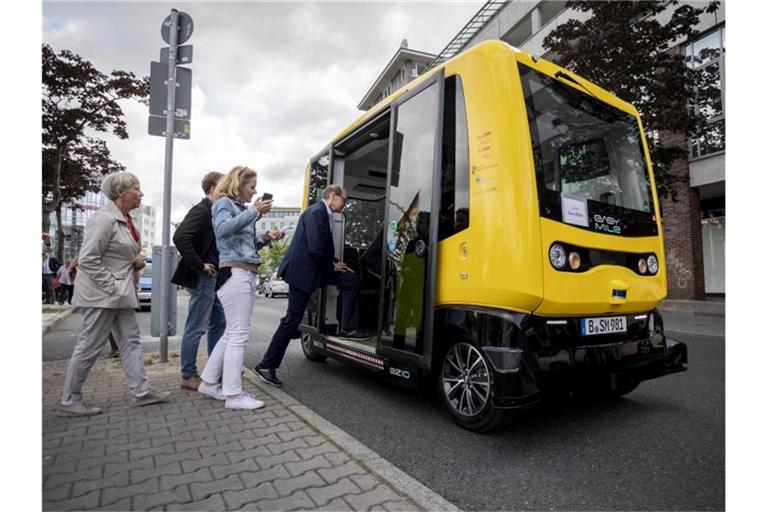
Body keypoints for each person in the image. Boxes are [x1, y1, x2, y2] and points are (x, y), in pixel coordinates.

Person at [57, 171, 171, 416]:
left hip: (120, 294)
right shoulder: (103, 218)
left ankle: (141, 391)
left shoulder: (126, 221)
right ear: (120, 192)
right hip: (102, 295)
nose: (141, 193)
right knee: (90, 345)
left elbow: (118, 257)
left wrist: (136, 263)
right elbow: (88, 259)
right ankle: (70, 400)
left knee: (130, 342)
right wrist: (112, 285)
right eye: (136, 188)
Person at [255, 184, 364, 388]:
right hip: (302, 273)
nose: (345, 204)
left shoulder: (323, 213)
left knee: (350, 280)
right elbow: (315, 248)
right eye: (345, 200)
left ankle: (348, 328)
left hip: (314, 269)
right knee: (291, 319)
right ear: (333, 196)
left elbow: (321, 247)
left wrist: (335, 262)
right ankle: (266, 365)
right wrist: (332, 265)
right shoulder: (316, 213)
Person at [196, 165, 284, 410]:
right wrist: (254, 211)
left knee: (231, 333)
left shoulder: (239, 209)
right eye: (252, 186)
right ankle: (234, 395)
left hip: (239, 271)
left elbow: (243, 241)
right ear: (238, 183)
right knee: (239, 334)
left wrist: (266, 237)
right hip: (236, 272)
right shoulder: (224, 204)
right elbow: (222, 230)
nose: (254, 192)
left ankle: (208, 383)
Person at [172, 171, 226, 391]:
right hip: (204, 276)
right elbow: (180, 237)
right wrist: (200, 264)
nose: (228, 190)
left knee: (219, 322)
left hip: (213, 277)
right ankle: (188, 375)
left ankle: (214, 369)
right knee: (196, 326)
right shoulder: (201, 210)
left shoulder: (214, 211)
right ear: (212, 188)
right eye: (224, 186)